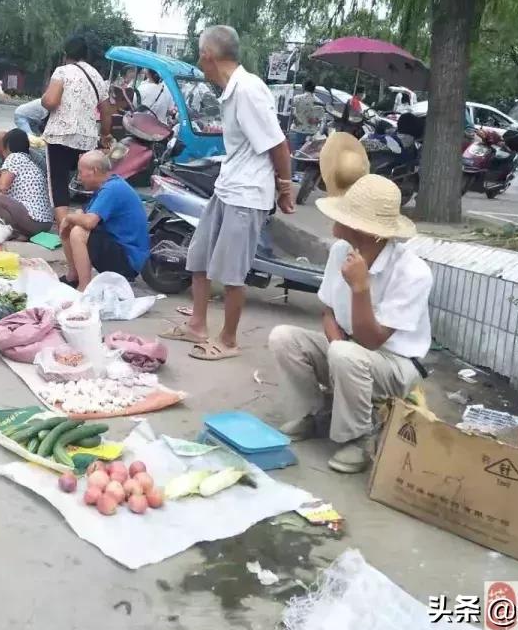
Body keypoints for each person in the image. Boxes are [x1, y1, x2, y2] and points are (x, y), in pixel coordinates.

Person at [268, 173, 431, 474]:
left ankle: (359, 438)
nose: (334, 219)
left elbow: (372, 341)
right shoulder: (340, 251)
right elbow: (328, 312)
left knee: (345, 354)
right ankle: (316, 414)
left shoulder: (413, 272)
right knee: (284, 337)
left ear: (367, 231)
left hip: (394, 365)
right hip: (349, 351)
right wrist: (337, 349)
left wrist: (360, 288)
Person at [160, 25, 295, 361]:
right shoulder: (232, 90)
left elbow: (278, 145)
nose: (198, 62)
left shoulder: (248, 90)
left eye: (199, 55)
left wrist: (284, 188)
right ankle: (197, 324)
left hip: (247, 193)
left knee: (233, 272)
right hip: (227, 186)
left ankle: (229, 340)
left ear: (208, 56)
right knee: (199, 256)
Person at [41, 34, 111, 227]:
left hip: (60, 135)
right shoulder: (96, 76)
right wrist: (105, 134)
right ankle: (89, 220)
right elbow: (106, 111)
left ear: (66, 54)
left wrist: (43, 99)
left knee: (59, 181)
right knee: (88, 180)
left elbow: (51, 101)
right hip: (87, 138)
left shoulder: (62, 71)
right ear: (85, 54)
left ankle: (63, 228)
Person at [60, 151, 149, 290]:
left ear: (94, 171)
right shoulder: (109, 185)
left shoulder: (112, 188)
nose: (79, 177)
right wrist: (73, 217)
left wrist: (69, 217)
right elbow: (85, 213)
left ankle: (84, 287)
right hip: (119, 250)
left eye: (81, 172)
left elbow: (89, 222)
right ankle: (74, 275)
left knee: (79, 232)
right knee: (73, 223)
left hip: (128, 261)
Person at [289, 79, 324, 152]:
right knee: (307, 155)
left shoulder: (297, 98)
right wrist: (315, 120)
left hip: (297, 130)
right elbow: (320, 119)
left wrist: (294, 117)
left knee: (295, 154)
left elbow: (288, 109)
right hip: (311, 133)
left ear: (303, 88)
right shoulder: (319, 102)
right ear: (314, 89)